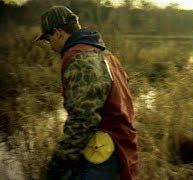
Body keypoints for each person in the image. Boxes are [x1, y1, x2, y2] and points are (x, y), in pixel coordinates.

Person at [36, 6, 138, 180]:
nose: (50, 45)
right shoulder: (103, 53)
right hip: (119, 146)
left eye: (48, 39)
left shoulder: (80, 58)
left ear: (58, 32)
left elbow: (83, 120)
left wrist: (58, 163)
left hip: (103, 153)